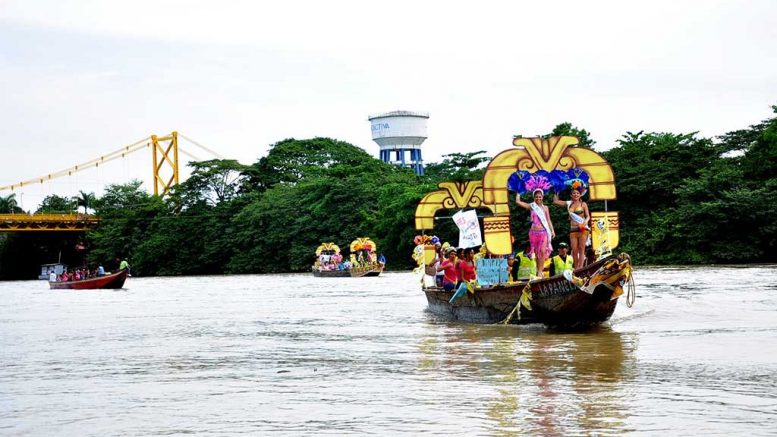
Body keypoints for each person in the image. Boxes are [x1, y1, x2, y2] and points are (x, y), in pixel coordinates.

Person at [515, 188, 555, 278]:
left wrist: (552, 230)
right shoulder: (531, 206)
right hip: (533, 233)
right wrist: (519, 190)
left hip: (543, 232)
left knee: (542, 251)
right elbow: (518, 202)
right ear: (534, 197)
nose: (538, 198)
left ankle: (540, 272)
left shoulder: (545, 208)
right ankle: (538, 270)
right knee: (537, 253)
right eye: (536, 197)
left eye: (540, 197)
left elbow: (548, 220)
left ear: (542, 197)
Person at [553, 186, 590, 269]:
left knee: (581, 249)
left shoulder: (583, 204)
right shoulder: (569, 203)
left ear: (580, 195)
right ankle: (576, 268)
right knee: (574, 250)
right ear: (571, 195)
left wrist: (585, 222)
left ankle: (581, 267)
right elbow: (555, 201)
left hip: (582, 228)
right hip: (573, 229)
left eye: (577, 193)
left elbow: (588, 216)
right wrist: (557, 189)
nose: (576, 194)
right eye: (574, 193)